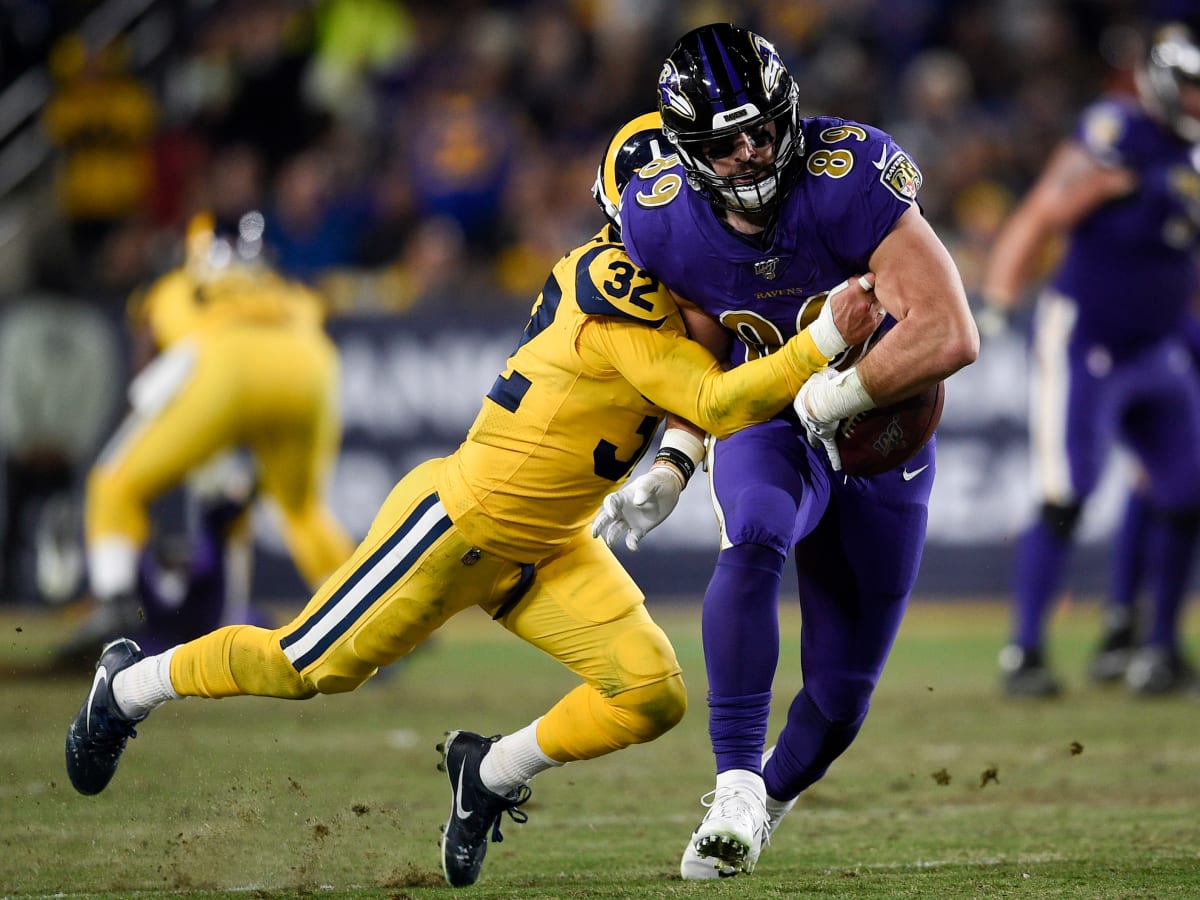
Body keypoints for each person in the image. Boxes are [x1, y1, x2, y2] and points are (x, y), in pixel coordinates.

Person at [63, 113, 883, 890]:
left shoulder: (684, 293)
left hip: (553, 540)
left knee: (651, 693)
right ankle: (129, 687)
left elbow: (696, 394)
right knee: (302, 666)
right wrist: (823, 341)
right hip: (461, 522)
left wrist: (671, 462)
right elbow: (715, 399)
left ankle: (488, 772)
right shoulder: (614, 280)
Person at [593, 23, 977, 878]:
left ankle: (763, 803)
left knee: (841, 698)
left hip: (882, 434)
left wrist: (835, 395)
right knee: (756, 532)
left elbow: (950, 330)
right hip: (769, 420)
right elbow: (702, 350)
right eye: (727, 142)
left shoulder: (848, 177)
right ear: (686, 146)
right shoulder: (659, 220)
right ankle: (732, 783)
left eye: (765, 128)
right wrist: (679, 456)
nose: (755, 150)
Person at [981, 21, 1200, 698]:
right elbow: (1042, 214)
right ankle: (1025, 652)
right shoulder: (1118, 133)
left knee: (1187, 487)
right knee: (1066, 492)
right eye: (1192, 88)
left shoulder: (1190, 160)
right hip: (1087, 339)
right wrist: (996, 301)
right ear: (1165, 86)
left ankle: (1157, 649)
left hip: (1158, 344)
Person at [59, 210, 356, 662]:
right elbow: (322, 310)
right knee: (301, 507)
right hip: (310, 364)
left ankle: (114, 608)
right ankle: (360, 612)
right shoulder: (281, 284)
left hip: (223, 365)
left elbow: (148, 358)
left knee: (114, 483)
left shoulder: (176, 285)